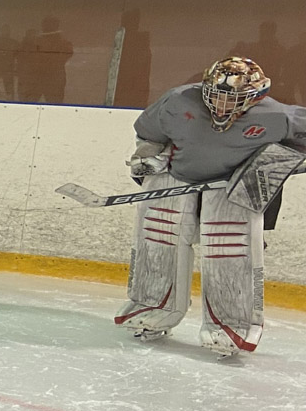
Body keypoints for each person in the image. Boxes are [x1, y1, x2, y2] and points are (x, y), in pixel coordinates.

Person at [117, 56, 306, 356]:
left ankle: (230, 325)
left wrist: (282, 161)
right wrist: (147, 153)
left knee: (228, 252)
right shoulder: (178, 101)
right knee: (157, 240)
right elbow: (148, 132)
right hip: (176, 178)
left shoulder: (277, 116)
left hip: (231, 189)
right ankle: (151, 307)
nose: (221, 106)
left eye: (233, 99)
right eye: (216, 96)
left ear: (255, 97)